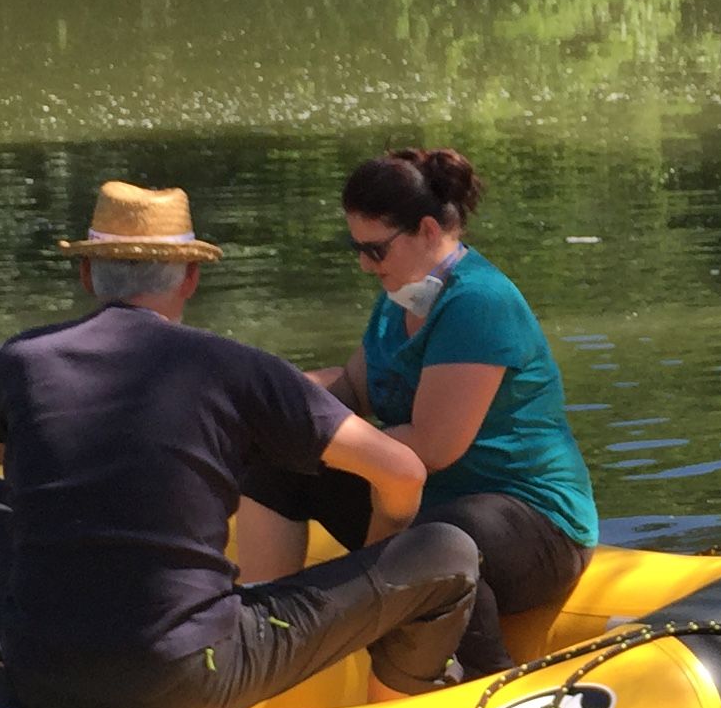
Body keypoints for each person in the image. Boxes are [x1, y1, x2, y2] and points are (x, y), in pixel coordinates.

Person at [0, 181, 482, 708]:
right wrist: (379, 559)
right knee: (445, 551)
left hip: (39, 675)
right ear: (191, 277)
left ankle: (28, 636)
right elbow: (403, 470)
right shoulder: (234, 367)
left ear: (86, 275)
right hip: (191, 673)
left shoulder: (16, 360)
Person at [239, 146, 600, 678]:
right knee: (276, 465)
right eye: (355, 247)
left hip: (536, 524)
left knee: (440, 536)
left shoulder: (479, 302)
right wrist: (263, 403)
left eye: (375, 250)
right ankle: (259, 638)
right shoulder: (400, 295)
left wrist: (319, 439)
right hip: (423, 500)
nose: (364, 263)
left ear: (428, 230)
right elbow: (352, 391)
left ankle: (491, 681)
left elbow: (433, 446)